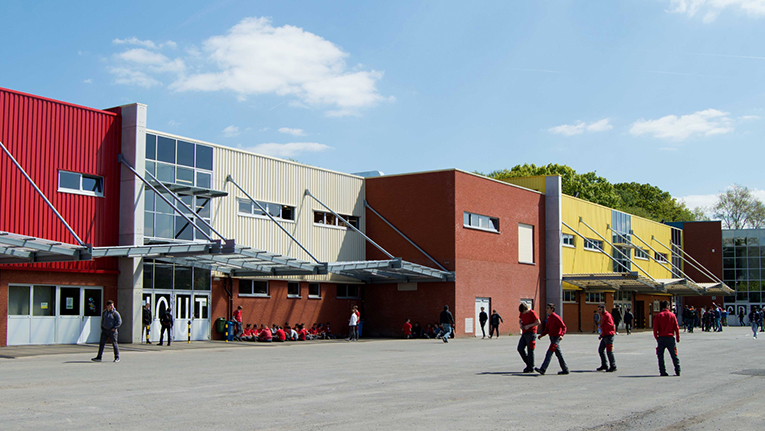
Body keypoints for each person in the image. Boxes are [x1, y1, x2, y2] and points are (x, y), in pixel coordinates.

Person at [535, 303, 569, 375]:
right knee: (558, 354)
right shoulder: (549, 318)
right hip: (551, 337)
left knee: (549, 353)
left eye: (548, 308)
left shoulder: (556, 317)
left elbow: (564, 327)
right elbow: (547, 329)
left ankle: (543, 369)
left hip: (556, 338)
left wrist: (561, 335)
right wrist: (541, 335)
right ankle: (565, 369)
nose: (546, 310)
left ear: (552, 309)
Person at [654, 300, 681, 376]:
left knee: (660, 356)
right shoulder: (672, 315)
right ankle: (677, 370)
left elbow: (655, 329)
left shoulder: (658, 316)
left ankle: (662, 371)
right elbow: (676, 327)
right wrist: (678, 337)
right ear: (667, 306)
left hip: (661, 338)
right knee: (674, 355)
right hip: (670, 337)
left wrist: (657, 338)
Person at [517, 303, 540, 373]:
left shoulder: (532, 313)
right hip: (524, 332)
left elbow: (538, 322)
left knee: (530, 350)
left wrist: (529, 326)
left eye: (523, 312)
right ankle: (529, 364)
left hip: (531, 333)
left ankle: (530, 367)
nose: (523, 313)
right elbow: (520, 320)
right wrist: (521, 324)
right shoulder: (522, 313)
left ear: (526, 309)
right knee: (520, 348)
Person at [596, 304, 616, 372]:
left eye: (600, 309)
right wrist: (602, 335)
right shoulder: (605, 316)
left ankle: (613, 366)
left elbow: (609, 326)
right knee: (601, 350)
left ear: (604, 308)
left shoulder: (607, 316)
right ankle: (604, 365)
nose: (599, 311)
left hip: (609, 336)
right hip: (605, 336)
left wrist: (602, 326)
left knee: (609, 351)